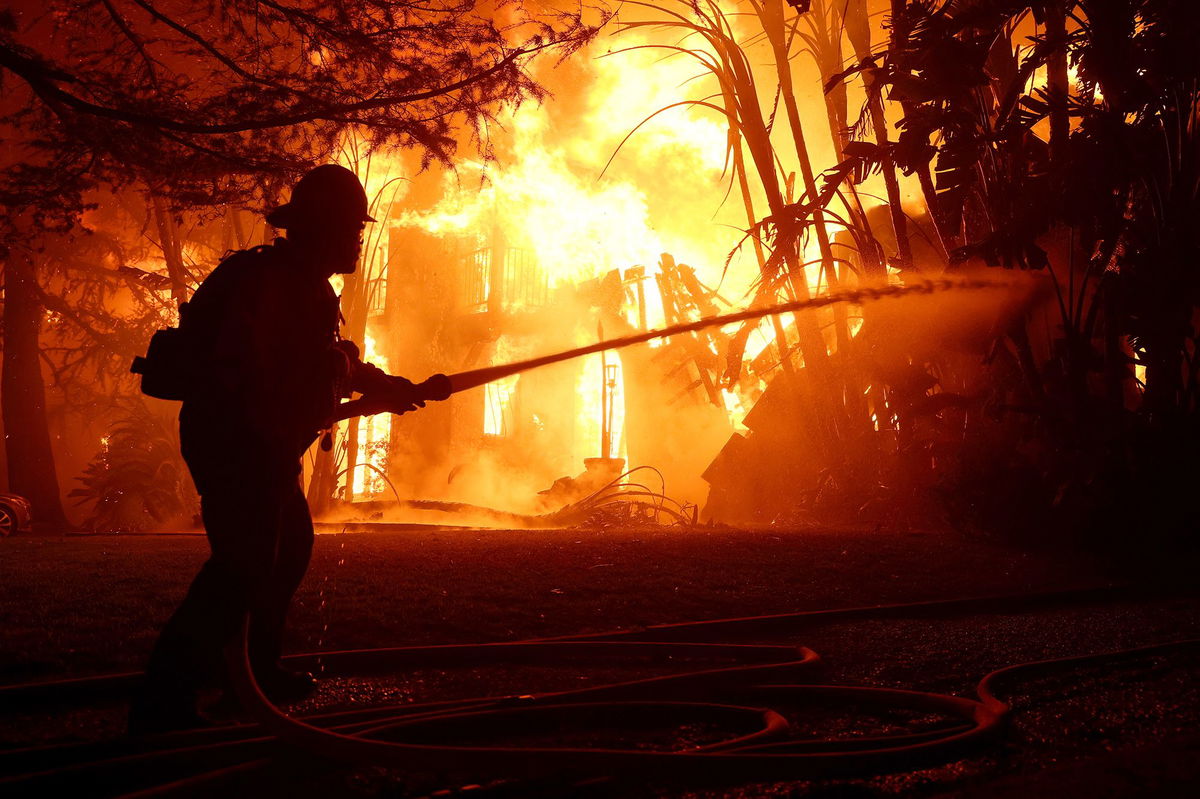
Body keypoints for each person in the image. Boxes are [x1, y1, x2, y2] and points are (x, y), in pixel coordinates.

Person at [129, 164, 422, 735]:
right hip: (237, 441)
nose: (358, 240)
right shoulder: (266, 282)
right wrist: (337, 377)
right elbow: (267, 370)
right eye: (351, 229)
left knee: (287, 551)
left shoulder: (307, 285)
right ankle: (164, 699)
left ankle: (255, 675)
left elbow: (325, 362)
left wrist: (384, 385)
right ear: (321, 228)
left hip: (266, 442)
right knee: (240, 566)